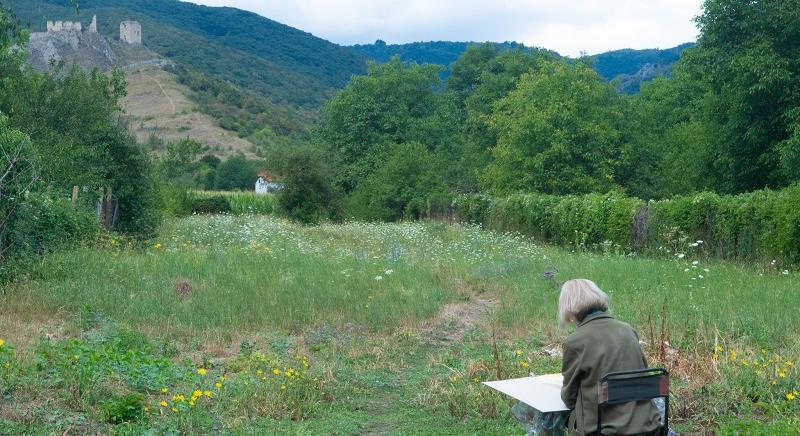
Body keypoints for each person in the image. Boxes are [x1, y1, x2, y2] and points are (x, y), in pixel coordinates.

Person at [559, 279, 661, 436]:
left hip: (604, 430)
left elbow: (569, 398)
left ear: (569, 307)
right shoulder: (627, 329)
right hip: (649, 425)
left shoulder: (575, 342)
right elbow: (642, 373)